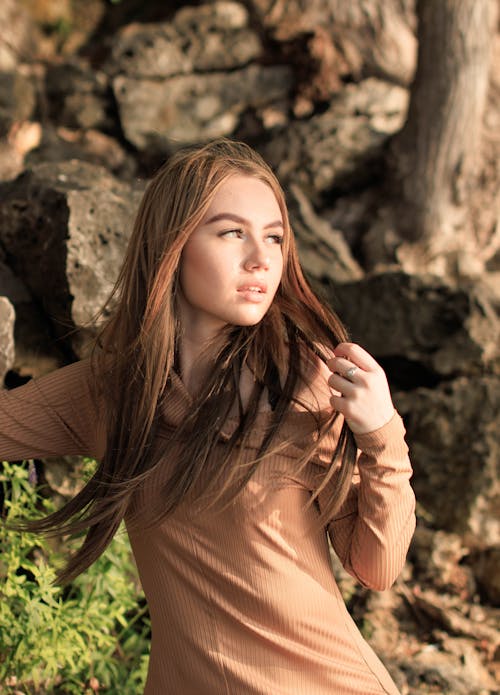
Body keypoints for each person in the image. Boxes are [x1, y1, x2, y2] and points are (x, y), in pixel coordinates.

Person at [0, 138, 415, 694]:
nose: (261, 258)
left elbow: (377, 566)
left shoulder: (305, 384)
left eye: (273, 236)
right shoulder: (115, 394)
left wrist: (381, 435)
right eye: (231, 233)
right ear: (173, 245)